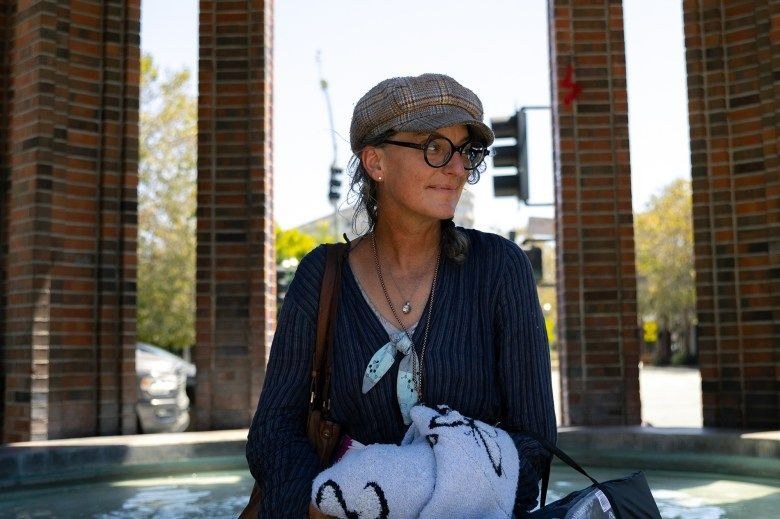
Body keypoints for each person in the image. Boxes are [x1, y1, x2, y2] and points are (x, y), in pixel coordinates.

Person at [246, 73, 556, 518]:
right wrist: (320, 503)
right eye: (434, 148)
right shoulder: (321, 275)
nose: (458, 168)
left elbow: (535, 442)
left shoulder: (501, 269)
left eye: (466, 151)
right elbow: (274, 430)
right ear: (376, 161)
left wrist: (401, 490)